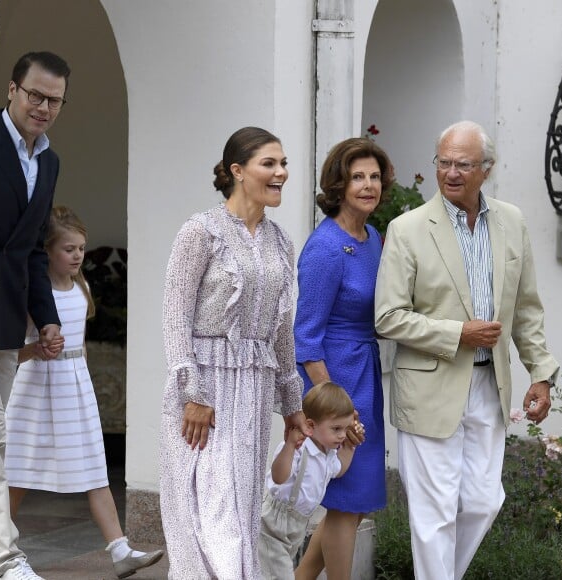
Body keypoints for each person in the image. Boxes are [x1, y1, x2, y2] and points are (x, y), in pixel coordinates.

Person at [374, 120, 560, 580]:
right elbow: (388, 317)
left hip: (488, 385)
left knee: (483, 500)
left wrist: (540, 372)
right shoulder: (407, 229)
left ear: (486, 169)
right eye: (443, 163)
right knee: (434, 514)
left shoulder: (512, 222)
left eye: (463, 164)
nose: (450, 173)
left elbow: (527, 309)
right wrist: (458, 333)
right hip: (429, 387)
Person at [159, 127, 310, 579]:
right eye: (270, 163)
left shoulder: (281, 242)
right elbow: (174, 316)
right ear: (237, 171)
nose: (281, 172)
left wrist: (292, 406)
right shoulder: (199, 232)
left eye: (284, 164)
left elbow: (282, 329)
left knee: (240, 512)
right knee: (210, 513)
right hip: (203, 391)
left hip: (255, 391)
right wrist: (194, 393)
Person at [4, 206, 164, 579]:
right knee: (18, 474)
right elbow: (14, 351)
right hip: (34, 390)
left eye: (81, 248)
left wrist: (85, 382)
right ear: (47, 252)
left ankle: (120, 550)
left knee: (94, 469)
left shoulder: (81, 286)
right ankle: (0, 545)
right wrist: (35, 350)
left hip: (73, 387)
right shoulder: (32, 293)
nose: (77, 255)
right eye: (69, 249)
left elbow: (80, 343)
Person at [293, 137, 394, 580]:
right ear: (339, 184)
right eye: (358, 177)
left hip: (365, 375)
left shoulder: (372, 237)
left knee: (350, 503)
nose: (368, 185)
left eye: (374, 176)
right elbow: (306, 339)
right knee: (345, 502)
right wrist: (333, 406)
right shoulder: (326, 246)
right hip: (336, 379)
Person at [0, 51, 70, 580]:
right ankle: (4, 559)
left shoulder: (49, 162)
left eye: (55, 101)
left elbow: (34, 249)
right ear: (12, 92)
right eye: (35, 95)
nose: (43, 107)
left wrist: (45, 316)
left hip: (4, 318)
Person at [259, 381, 363, 579]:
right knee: (279, 574)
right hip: (273, 524)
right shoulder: (299, 447)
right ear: (310, 425)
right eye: (336, 429)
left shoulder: (328, 453)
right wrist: (289, 446)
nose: (342, 435)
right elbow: (278, 477)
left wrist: (349, 448)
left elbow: (338, 470)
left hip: (296, 527)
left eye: (345, 428)